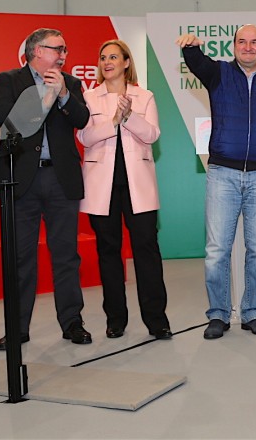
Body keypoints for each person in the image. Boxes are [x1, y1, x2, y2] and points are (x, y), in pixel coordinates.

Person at [178, 25, 256, 340]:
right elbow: (197, 62)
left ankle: (253, 312)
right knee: (217, 250)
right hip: (223, 174)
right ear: (233, 46)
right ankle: (218, 314)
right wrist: (190, 46)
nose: (248, 47)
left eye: (255, 42)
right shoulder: (218, 74)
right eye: (242, 41)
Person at [0, 28, 92, 350]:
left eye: (65, 50)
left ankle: (72, 322)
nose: (63, 55)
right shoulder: (9, 80)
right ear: (36, 51)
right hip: (21, 179)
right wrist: (44, 99)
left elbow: (82, 119)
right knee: (20, 258)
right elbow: (3, 119)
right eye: (58, 49)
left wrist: (63, 95)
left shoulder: (71, 83)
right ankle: (17, 328)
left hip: (60, 179)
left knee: (66, 256)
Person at [78, 39, 171, 340]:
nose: (107, 62)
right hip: (101, 187)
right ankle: (115, 319)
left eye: (113, 57)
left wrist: (129, 117)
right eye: (103, 57)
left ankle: (156, 320)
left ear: (126, 62)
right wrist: (113, 122)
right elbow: (84, 137)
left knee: (147, 250)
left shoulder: (144, 96)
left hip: (138, 185)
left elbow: (152, 134)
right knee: (108, 252)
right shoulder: (89, 97)